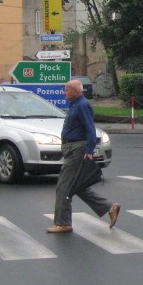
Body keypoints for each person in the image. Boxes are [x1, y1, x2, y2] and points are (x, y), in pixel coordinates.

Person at [47, 79, 120, 234]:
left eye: (67, 89)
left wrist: (89, 149)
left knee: (63, 186)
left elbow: (90, 128)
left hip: (77, 149)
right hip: (72, 148)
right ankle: (109, 207)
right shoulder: (74, 104)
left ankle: (63, 223)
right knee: (77, 186)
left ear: (76, 91)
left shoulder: (82, 104)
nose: (64, 92)